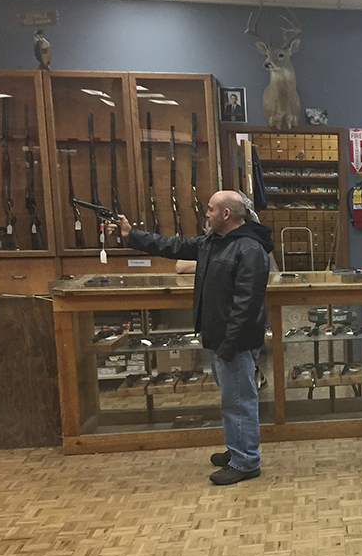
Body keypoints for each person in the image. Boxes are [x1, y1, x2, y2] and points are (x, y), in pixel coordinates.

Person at [108, 190, 273, 485]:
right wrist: (131, 234)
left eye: (210, 210)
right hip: (218, 337)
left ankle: (246, 461)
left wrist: (229, 345)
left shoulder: (249, 248)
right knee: (232, 399)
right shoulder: (214, 242)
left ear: (226, 214)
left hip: (233, 341)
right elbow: (173, 246)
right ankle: (239, 449)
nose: (205, 214)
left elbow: (246, 304)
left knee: (238, 401)